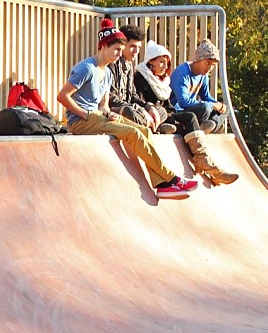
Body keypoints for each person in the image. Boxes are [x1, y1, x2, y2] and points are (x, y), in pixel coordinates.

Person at [57, 23, 197, 200]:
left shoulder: (107, 73)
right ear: (103, 46)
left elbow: (103, 105)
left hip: (97, 116)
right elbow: (62, 96)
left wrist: (109, 113)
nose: (118, 54)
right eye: (116, 50)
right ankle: (171, 178)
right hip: (79, 121)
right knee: (133, 134)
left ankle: (162, 185)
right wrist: (84, 114)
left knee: (144, 131)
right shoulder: (86, 68)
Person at [166, 39, 239, 186]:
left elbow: (207, 97)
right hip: (179, 110)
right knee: (206, 107)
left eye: (212, 66)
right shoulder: (182, 72)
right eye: (208, 64)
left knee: (226, 108)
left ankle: (207, 125)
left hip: (195, 112)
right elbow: (183, 101)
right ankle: (204, 129)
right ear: (198, 60)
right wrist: (212, 105)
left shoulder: (203, 76)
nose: (209, 68)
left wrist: (219, 106)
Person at [107, 25, 157, 130]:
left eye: (139, 47)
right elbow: (111, 99)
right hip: (114, 110)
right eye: (132, 46)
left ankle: (150, 124)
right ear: (122, 45)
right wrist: (140, 110)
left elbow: (133, 96)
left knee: (159, 110)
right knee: (129, 112)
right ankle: (151, 127)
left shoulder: (130, 65)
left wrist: (148, 107)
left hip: (131, 107)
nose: (136, 51)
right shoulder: (111, 64)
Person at [133, 41, 178, 133]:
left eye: (167, 63)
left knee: (189, 117)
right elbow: (139, 100)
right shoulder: (140, 77)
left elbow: (169, 106)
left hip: (164, 113)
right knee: (162, 112)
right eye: (161, 62)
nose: (165, 67)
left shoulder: (162, 81)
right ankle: (155, 127)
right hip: (148, 112)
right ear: (151, 61)